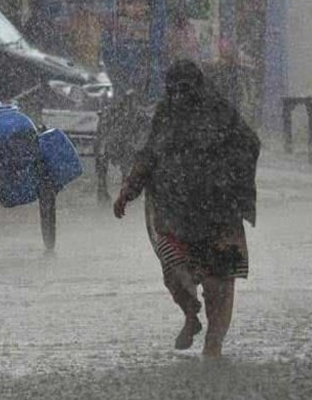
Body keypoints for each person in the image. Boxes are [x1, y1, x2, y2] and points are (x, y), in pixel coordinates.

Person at [113, 60, 260, 358]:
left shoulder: (221, 113)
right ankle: (191, 316)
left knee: (219, 283)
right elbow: (149, 154)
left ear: (198, 88)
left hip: (219, 215)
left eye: (185, 90)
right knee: (175, 273)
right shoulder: (165, 116)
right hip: (174, 216)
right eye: (174, 91)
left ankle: (213, 347)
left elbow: (249, 145)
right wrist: (128, 190)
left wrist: (230, 181)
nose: (180, 96)